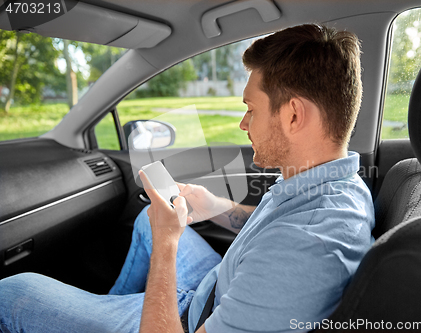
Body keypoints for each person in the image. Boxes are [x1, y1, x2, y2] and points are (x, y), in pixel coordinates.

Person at [0, 24, 374, 333]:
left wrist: (167, 244)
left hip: (186, 321)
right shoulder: (332, 182)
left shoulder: (305, 247)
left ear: (293, 115)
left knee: (13, 293)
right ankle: (108, 310)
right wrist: (218, 207)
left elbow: (285, 246)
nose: (244, 124)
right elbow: (270, 228)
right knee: (149, 222)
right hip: (214, 289)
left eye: (251, 109)